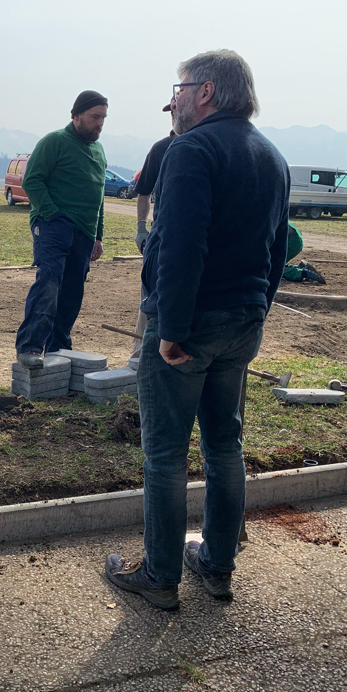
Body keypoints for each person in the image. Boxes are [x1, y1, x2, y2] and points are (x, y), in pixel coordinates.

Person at [105, 50, 290, 609]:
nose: (174, 102)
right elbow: (277, 249)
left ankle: (159, 575)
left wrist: (171, 329)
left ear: (205, 91)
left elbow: (181, 246)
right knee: (224, 445)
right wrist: (259, 310)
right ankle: (216, 564)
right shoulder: (272, 155)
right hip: (243, 321)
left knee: (164, 453)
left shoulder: (191, 149)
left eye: (179, 89)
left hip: (191, 324)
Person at [15, 90, 109, 369]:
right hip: (53, 226)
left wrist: (98, 236)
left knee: (72, 293)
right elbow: (32, 180)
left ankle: (59, 349)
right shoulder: (54, 141)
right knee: (50, 282)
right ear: (76, 115)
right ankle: (30, 346)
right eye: (94, 117)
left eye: (103, 118)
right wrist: (52, 214)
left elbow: (99, 195)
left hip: (85, 232)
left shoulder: (99, 151)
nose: (99, 123)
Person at [130, 99, 178, 358]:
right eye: (171, 111)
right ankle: (138, 355)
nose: (174, 115)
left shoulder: (203, 146)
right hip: (160, 237)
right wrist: (141, 227)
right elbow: (143, 192)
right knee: (149, 298)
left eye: (177, 109)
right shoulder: (161, 149)